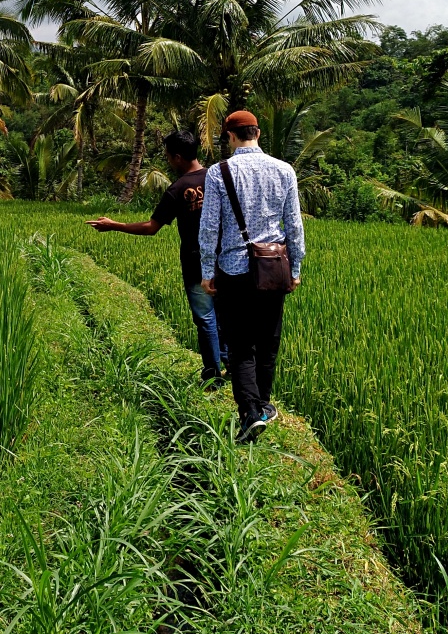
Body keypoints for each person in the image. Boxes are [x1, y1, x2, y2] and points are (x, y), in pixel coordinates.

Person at [88, 129, 228, 389]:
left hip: (196, 260)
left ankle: (212, 376)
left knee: (205, 317)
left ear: (177, 157)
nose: (167, 161)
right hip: (226, 258)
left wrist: (113, 225)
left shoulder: (177, 190)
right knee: (225, 313)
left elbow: (151, 227)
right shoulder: (219, 177)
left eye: (167, 156)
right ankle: (228, 363)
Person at [198, 109, 305, 444]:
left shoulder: (219, 172)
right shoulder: (284, 170)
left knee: (241, 345)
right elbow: (295, 226)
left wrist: (206, 270)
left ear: (231, 136)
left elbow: (209, 226)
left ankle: (250, 413)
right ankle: (263, 404)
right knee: (268, 341)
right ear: (257, 133)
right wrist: (296, 268)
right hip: (273, 269)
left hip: (234, 270)